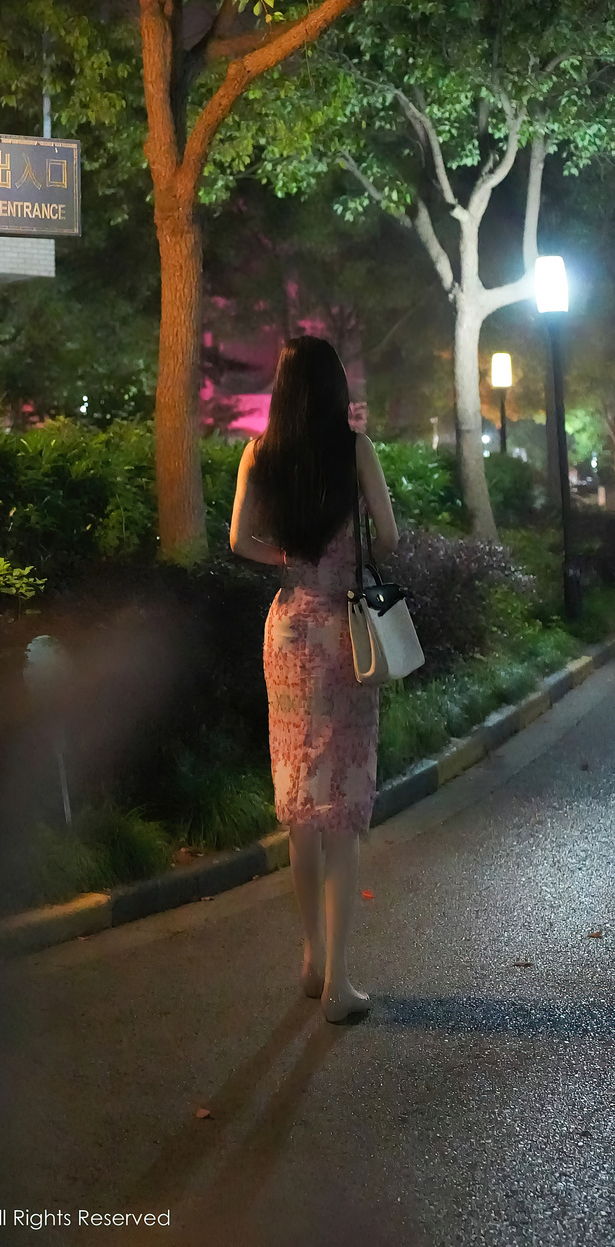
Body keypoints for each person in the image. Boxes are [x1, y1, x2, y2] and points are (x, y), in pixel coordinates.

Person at [229, 336, 398, 1024]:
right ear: (333, 387)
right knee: (342, 811)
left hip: (289, 631)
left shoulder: (260, 454)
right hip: (343, 635)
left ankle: (312, 958)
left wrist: (288, 559)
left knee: (301, 804)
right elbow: (390, 538)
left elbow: (238, 540)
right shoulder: (354, 450)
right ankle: (339, 986)